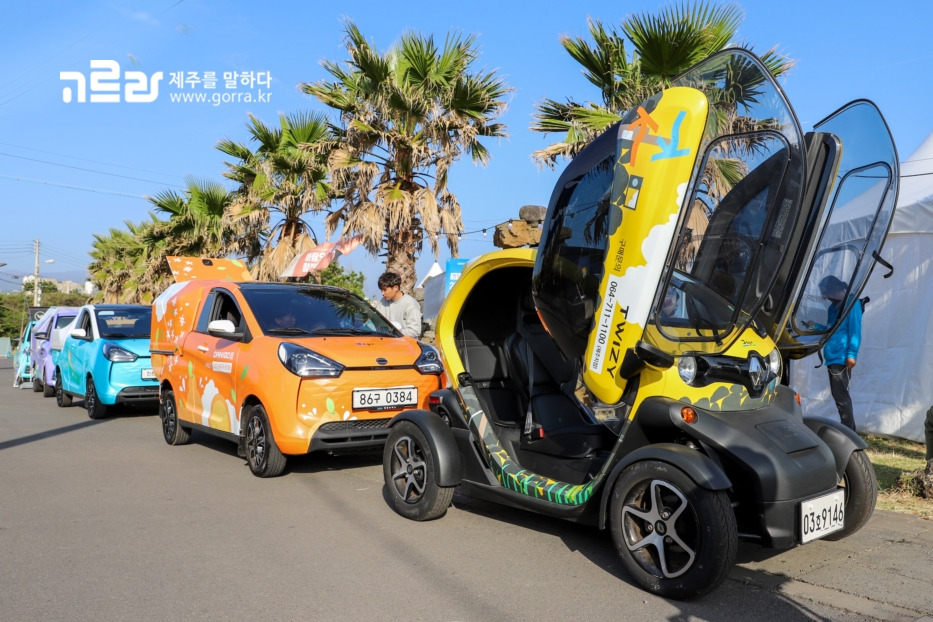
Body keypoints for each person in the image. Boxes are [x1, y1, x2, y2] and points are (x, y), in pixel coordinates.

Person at [819, 275, 862, 432]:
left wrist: (852, 354)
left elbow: (855, 331)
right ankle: (848, 430)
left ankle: (849, 432)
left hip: (842, 357)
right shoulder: (832, 308)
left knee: (842, 398)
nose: (826, 298)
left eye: (826, 293)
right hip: (831, 357)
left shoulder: (852, 303)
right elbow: (830, 329)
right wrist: (815, 326)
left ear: (835, 289)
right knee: (839, 397)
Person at [373, 271, 422, 338]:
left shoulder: (410, 304)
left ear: (396, 288)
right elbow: (375, 321)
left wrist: (394, 332)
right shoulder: (383, 301)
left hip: (404, 343)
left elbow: (415, 331)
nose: (382, 293)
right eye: (381, 290)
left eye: (385, 290)